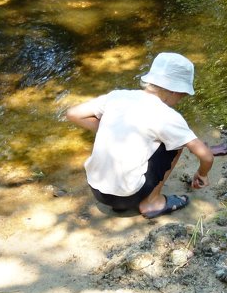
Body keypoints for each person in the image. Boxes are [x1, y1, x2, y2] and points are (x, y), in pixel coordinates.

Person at [65, 52, 215, 218]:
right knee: (177, 144)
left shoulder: (117, 96)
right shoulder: (168, 116)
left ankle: (126, 199)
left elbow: (73, 113)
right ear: (176, 91)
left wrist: (109, 127)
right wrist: (202, 174)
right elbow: (206, 156)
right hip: (128, 196)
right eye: (183, 95)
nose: (181, 99)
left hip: (97, 191)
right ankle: (152, 202)